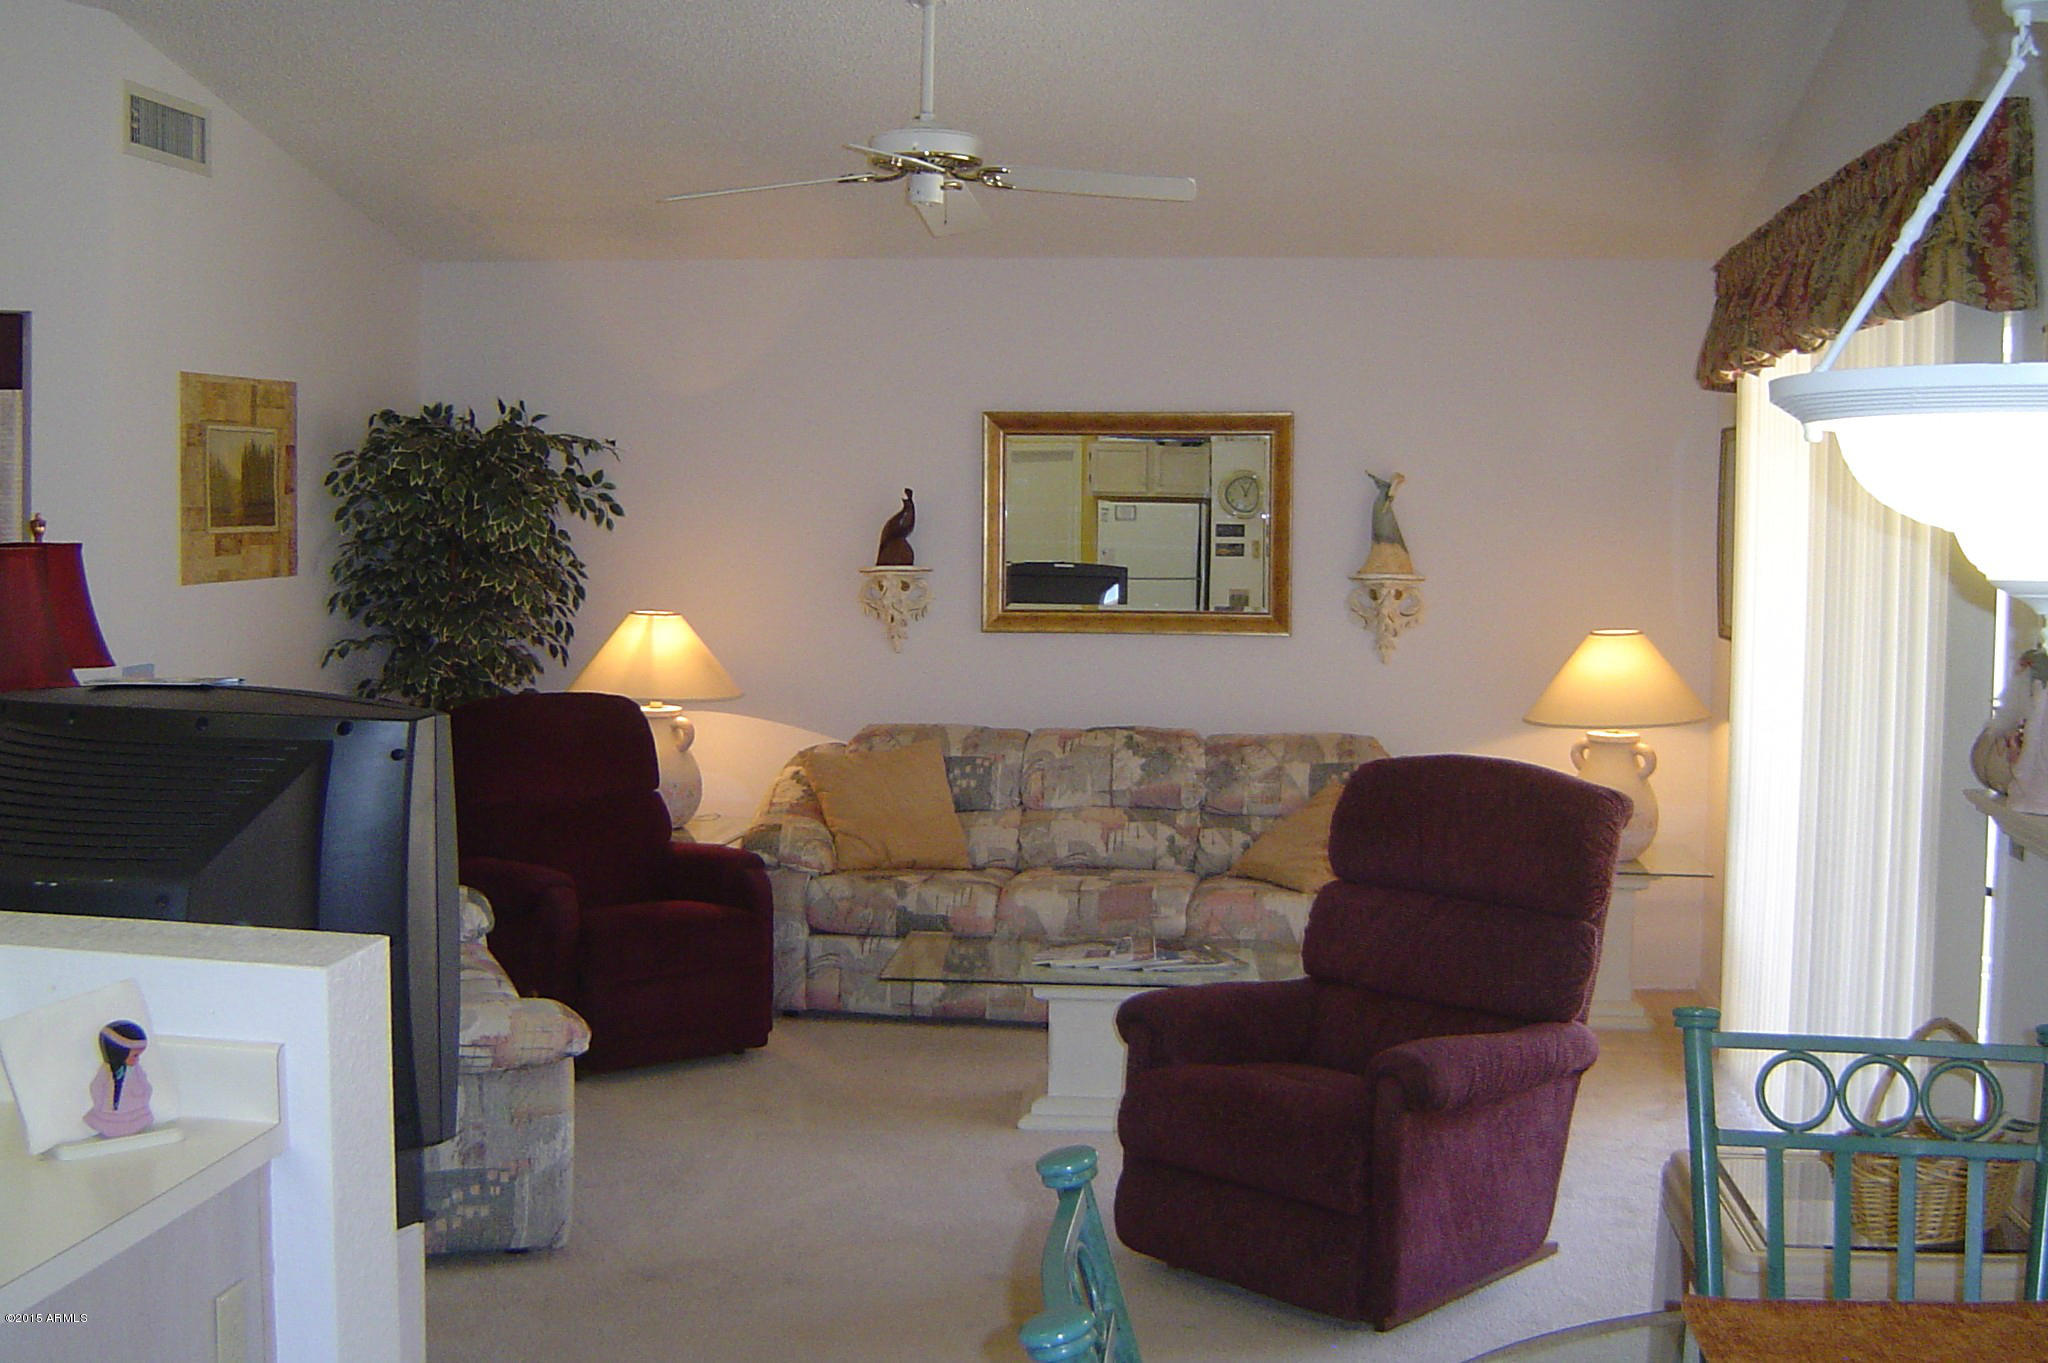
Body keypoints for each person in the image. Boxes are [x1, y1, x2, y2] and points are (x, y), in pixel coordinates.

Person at [83, 1019, 155, 1138]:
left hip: (135, 1109)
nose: (137, 1060)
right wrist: (103, 1104)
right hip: (110, 1111)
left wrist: (143, 1091)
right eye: (135, 1055)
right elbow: (96, 1088)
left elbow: (144, 1083)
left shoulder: (136, 1070)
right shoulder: (106, 1072)